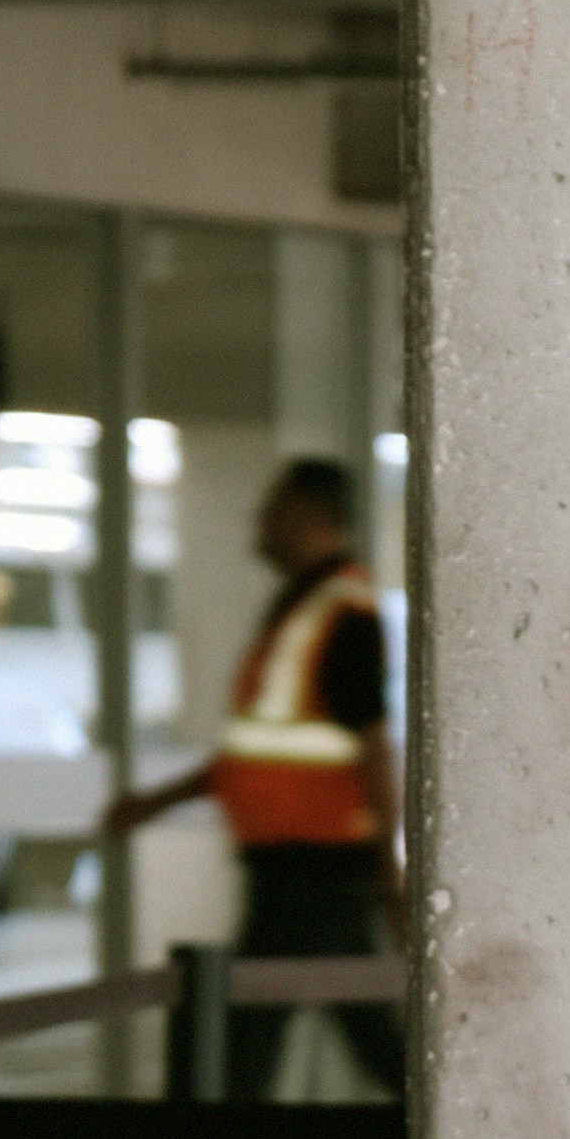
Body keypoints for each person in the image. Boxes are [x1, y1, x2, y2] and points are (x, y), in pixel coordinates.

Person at [106, 453, 405, 1104]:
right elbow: (255, 754)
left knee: (240, 1051)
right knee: (364, 1043)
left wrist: (391, 874)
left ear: (313, 516)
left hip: (314, 874)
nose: (259, 521)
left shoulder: (340, 612)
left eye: (274, 508)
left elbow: (373, 746)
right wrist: (157, 802)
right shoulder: (301, 608)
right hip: (298, 872)